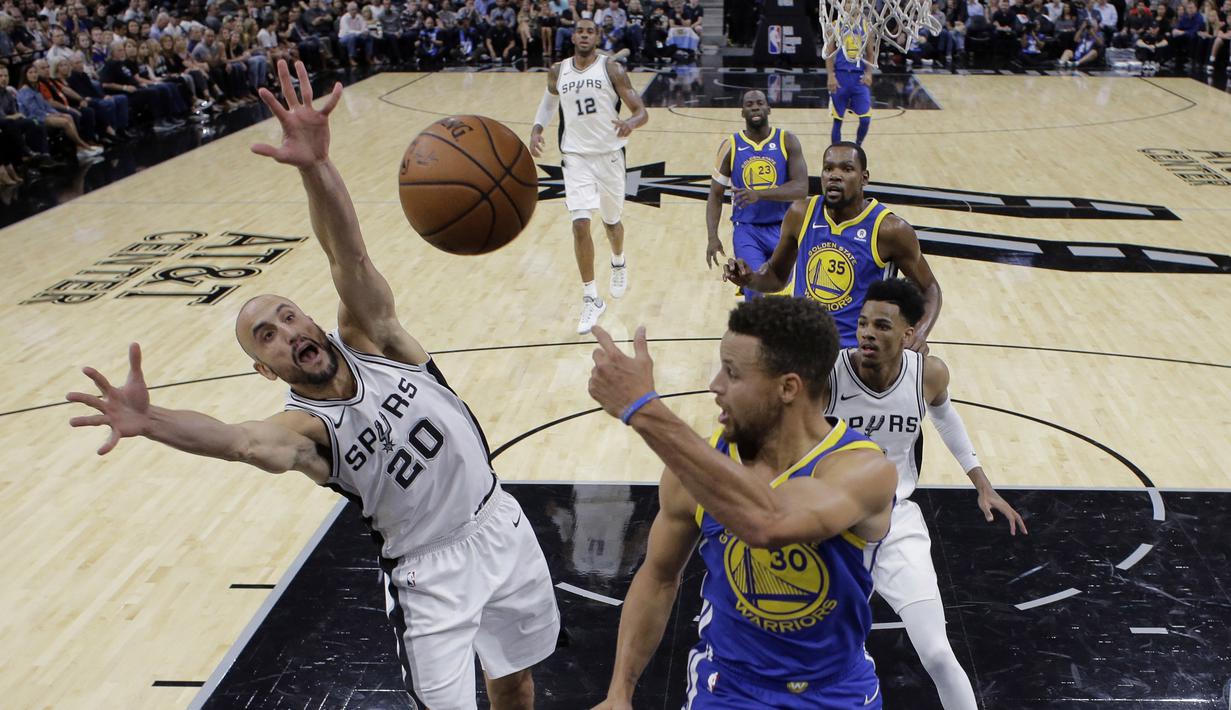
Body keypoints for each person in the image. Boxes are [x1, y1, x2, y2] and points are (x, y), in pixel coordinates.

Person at [66, 60, 560, 710]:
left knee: (516, 680)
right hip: (428, 575)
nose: (284, 329)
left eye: (286, 314)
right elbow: (239, 441)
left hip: (499, 521)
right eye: (264, 336)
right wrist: (150, 420)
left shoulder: (377, 337)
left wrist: (314, 166)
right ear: (264, 369)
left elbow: (346, 254)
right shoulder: (305, 431)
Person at [585, 297, 897, 709]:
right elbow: (658, 576)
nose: (715, 385)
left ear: (788, 387)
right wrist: (619, 693)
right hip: (727, 689)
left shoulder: (864, 470)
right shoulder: (695, 469)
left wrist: (643, 410)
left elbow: (768, 523)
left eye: (731, 373)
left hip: (836, 692)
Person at [825, 279, 1026, 710]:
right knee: (828, 656)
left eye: (881, 325)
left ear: (909, 335)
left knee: (937, 651)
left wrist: (983, 486)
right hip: (830, 527)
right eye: (862, 324)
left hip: (896, 523)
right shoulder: (830, 373)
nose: (867, 334)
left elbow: (948, 420)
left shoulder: (928, 375)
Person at [723, 142, 942, 351]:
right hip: (805, 348)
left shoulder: (889, 229)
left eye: (847, 169)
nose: (835, 175)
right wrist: (750, 279)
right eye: (828, 168)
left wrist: (920, 333)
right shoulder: (800, 213)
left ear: (864, 178)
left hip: (858, 354)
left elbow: (930, 288)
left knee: (935, 375)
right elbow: (776, 275)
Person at [529, 17, 648, 335]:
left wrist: (630, 124)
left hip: (609, 155)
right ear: (573, 37)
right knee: (580, 223)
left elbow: (641, 111)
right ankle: (591, 297)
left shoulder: (612, 69)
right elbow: (548, 104)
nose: (584, 35)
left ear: (597, 37)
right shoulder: (558, 71)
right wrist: (537, 130)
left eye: (589, 31)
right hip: (575, 156)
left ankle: (619, 261)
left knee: (611, 222)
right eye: (579, 31)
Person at [705, 89, 808, 299]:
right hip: (748, 230)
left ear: (768, 108)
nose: (755, 107)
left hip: (784, 228)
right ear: (742, 112)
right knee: (753, 288)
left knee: (791, 292)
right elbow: (715, 195)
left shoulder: (787, 140)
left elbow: (801, 189)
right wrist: (712, 237)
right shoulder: (730, 146)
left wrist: (760, 194)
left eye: (760, 103)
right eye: (749, 104)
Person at [825, 1, 876, 147]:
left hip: (858, 78)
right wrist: (830, 75)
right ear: (843, 5)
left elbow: (870, 54)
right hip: (840, 76)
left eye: (855, 2)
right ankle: (836, 150)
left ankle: (858, 145)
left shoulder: (866, 27)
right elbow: (829, 54)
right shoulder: (835, 25)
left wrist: (869, 73)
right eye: (848, 2)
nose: (851, 5)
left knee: (865, 118)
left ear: (860, 6)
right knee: (838, 120)